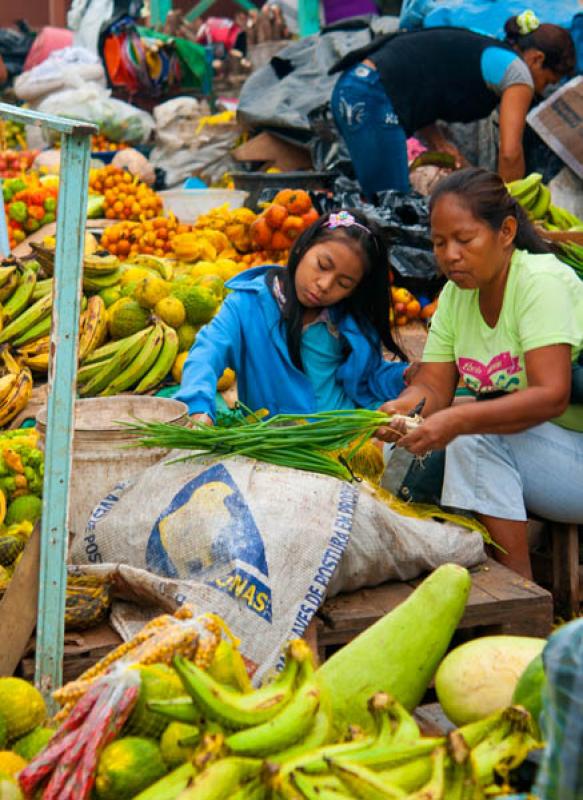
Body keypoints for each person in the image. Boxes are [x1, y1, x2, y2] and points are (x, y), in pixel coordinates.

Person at [377, 167, 583, 579]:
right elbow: (434, 384)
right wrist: (401, 411)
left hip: (574, 457)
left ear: (505, 232)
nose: (450, 254)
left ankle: (516, 593)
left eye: (464, 240)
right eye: (439, 243)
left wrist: (457, 418)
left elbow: (552, 394)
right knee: (398, 450)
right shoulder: (456, 295)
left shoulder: (540, 283)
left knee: (472, 439)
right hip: (541, 454)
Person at [176, 209, 409, 423]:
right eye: (322, 265)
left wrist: (406, 375)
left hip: (345, 438)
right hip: (275, 450)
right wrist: (198, 408)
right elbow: (207, 353)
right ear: (302, 247)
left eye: (344, 283)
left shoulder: (348, 321)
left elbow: (369, 377)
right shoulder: (248, 304)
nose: (325, 285)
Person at [328, 10, 575, 198]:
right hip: (371, 97)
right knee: (390, 204)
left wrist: (439, 142)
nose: (542, 89)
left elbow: (420, 84)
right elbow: (510, 153)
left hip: (354, 88)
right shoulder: (518, 73)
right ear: (536, 59)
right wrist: (507, 207)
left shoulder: (487, 47)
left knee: (382, 201)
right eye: (547, 80)